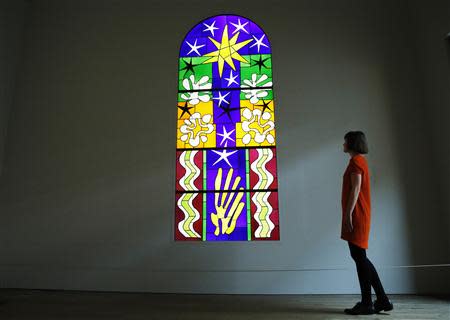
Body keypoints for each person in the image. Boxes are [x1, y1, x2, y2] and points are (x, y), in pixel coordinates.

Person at [341, 131, 394, 315]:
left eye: (345, 141)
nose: (343, 144)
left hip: (357, 214)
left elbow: (355, 189)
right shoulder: (358, 161)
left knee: (359, 257)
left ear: (352, 143)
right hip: (358, 213)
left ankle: (368, 303)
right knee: (359, 256)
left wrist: (348, 214)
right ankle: (381, 300)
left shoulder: (356, 162)